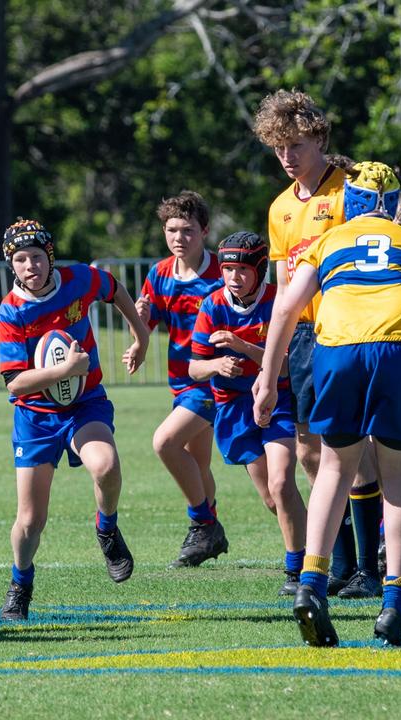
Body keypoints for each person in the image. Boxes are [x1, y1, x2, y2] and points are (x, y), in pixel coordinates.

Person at [253, 161, 401, 647]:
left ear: (346, 202)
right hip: (400, 348)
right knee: (398, 472)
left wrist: (267, 379)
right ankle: (395, 601)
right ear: (396, 205)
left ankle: (311, 583)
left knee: (334, 468)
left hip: (336, 350)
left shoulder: (325, 242)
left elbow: (287, 308)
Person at [0, 218, 149, 621]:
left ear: (50, 257)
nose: (31, 266)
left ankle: (107, 527)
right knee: (30, 521)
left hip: (85, 406)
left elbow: (115, 289)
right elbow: (15, 383)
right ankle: (20, 582)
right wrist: (66, 371)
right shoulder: (11, 311)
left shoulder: (79, 279)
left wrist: (141, 335)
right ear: (12, 266)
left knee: (107, 465)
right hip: (36, 419)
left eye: (37, 257)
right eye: (21, 260)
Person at [255, 89, 373, 595]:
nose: (287, 156)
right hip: (305, 338)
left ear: (320, 138)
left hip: (349, 332)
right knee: (309, 452)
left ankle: (371, 564)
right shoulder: (280, 208)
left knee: (352, 450)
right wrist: (273, 361)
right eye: (279, 147)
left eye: (296, 144)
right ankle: (340, 560)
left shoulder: (351, 191)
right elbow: (283, 289)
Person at [189, 231, 306, 595]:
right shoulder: (212, 306)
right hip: (233, 409)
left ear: (260, 269)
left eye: (242, 270)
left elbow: (285, 367)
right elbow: (194, 368)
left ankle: (299, 568)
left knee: (282, 482)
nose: (234, 277)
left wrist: (243, 347)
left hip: (277, 401)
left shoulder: (279, 303)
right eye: (227, 269)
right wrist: (216, 366)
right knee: (272, 499)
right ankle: (320, 539)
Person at [134, 191, 226, 568]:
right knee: (197, 464)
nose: (178, 238)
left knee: (165, 443)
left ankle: (202, 524)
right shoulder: (159, 273)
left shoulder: (224, 272)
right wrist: (136, 331)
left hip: (214, 381)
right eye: (171, 230)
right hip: (182, 381)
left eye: (187, 230)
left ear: (204, 231)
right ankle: (210, 530)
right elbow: (147, 323)